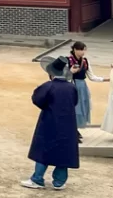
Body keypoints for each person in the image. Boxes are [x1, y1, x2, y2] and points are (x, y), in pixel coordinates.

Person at [22, 57, 79, 190]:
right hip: (68, 123)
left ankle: (37, 178)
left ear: (51, 73)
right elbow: (74, 102)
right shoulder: (71, 87)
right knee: (63, 150)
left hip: (50, 120)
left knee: (44, 149)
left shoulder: (48, 86)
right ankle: (59, 181)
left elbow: (37, 100)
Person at [66, 41, 106, 143]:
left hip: (82, 86)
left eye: (84, 49)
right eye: (80, 49)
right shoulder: (68, 60)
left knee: (81, 108)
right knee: (73, 109)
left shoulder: (85, 61)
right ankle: (72, 130)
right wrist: (70, 72)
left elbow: (92, 76)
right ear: (74, 49)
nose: (82, 52)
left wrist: (105, 79)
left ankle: (75, 129)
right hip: (71, 85)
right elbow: (61, 75)